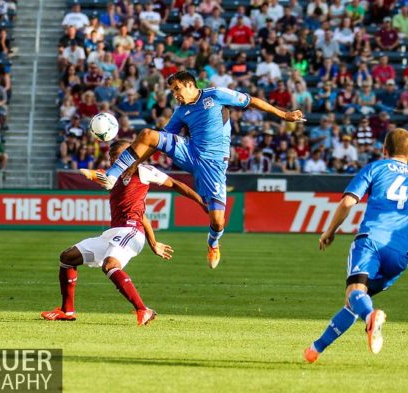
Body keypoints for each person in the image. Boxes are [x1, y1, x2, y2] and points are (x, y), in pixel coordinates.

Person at [87, 71, 304, 268]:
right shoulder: (181, 111)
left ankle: (213, 243)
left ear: (190, 84)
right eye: (172, 91)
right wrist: (133, 164)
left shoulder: (216, 94)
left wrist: (284, 115)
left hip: (214, 164)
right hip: (190, 152)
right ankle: (112, 176)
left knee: (218, 220)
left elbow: (252, 101)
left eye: (177, 89)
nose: (175, 95)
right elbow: (158, 141)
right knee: (147, 134)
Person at [304, 128, 408, 363]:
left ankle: (372, 316)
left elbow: (347, 202)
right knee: (354, 300)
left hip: (371, 241)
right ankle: (315, 349)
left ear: (384, 150)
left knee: (356, 295)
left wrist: (330, 231)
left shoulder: (375, 167)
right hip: (401, 254)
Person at [41, 141, 207, 323]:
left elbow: (174, 183)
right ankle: (67, 311)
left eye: (118, 155)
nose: (114, 159)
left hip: (131, 231)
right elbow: (139, 211)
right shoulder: (114, 177)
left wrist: (200, 201)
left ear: (130, 154)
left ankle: (144, 310)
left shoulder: (143, 171)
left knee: (110, 265)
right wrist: (154, 243)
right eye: (111, 156)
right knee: (67, 258)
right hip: (114, 233)